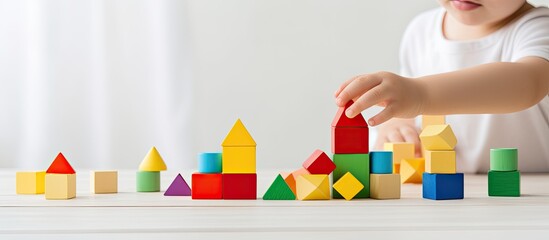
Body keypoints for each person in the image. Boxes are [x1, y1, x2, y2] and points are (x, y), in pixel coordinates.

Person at [334, 0, 549, 173]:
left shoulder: (538, 27)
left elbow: (527, 83)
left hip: (528, 192)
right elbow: (408, 109)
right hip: (447, 193)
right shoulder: (421, 31)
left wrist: (420, 94)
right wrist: (397, 127)